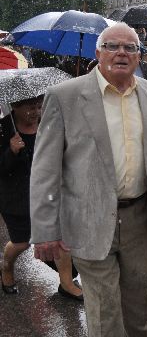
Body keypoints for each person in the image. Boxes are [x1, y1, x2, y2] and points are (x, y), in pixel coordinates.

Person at [30, 22, 147, 337]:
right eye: (112, 46)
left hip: (139, 219)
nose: (121, 52)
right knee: (104, 312)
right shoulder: (64, 96)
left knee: (138, 307)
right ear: (98, 52)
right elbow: (45, 168)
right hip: (88, 218)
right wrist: (45, 229)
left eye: (130, 47)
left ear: (139, 55)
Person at [0, 96, 82, 300]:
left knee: (59, 236)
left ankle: (66, 283)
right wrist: (11, 151)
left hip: (48, 191)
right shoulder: (3, 129)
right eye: (30, 107)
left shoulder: (49, 123)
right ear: (15, 107)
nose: (35, 112)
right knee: (22, 243)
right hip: (16, 197)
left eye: (38, 107)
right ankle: (6, 267)